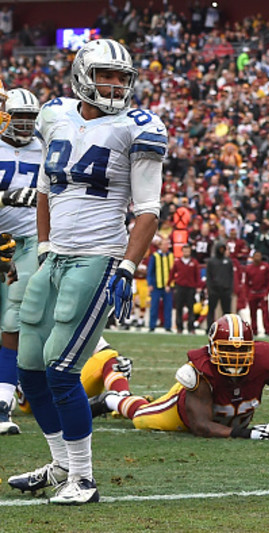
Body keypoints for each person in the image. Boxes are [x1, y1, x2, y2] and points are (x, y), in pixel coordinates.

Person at [10, 39, 165, 505]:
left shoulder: (136, 128)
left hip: (98, 258)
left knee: (61, 369)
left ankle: (84, 478)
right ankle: (61, 465)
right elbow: (43, 190)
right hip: (55, 257)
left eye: (122, 77)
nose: (115, 85)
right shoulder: (55, 115)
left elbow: (149, 211)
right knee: (30, 370)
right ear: (82, 74)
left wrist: (127, 266)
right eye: (106, 75)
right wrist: (42, 246)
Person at [88, 314, 269, 440]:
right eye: (227, 349)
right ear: (212, 349)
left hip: (217, 415)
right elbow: (201, 427)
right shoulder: (200, 371)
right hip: (182, 414)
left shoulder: (265, 360)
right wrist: (249, 434)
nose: (235, 356)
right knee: (141, 417)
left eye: (241, 350)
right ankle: (112, 399)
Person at [0, 87, 41, 435]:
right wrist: (5, 197)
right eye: (20, 116)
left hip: (29, 244)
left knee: (15, 318)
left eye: (31, 117)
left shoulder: (45, 146)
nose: (26, 124)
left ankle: (4, 399)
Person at [171, 243, 203, 334]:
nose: (186, 252)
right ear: (182, 251)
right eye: (185, 251)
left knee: (191, 308)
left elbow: (197, 275)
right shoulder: (177, 262)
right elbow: (172, 273)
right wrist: (169, 284)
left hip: (190, 288)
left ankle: (191, 328)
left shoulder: (194, 262)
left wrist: (198, 286)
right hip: (180, 287)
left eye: (188, 251)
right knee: (179, 308)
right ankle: (179, 327)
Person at [147, 237, 174, 332]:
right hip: (156, 285)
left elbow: (173, 271)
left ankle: (168, 326)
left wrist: (171, 284)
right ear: (160, 245)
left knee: (168, 307)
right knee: (154, 306)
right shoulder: (155, 256)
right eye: (165, 244)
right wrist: (150, 284)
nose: (166, 246)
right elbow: (150, 271)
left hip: (168, 287)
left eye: (167, 244)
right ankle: (152, 326)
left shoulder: (171, 256)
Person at [205, 243, 234, 330]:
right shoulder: (211, 261)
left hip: (225, 290)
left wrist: (230, 289)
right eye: (220, 249)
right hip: (214, 290)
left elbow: (231, 276)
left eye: (223, 249)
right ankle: (209, 328)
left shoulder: (228, 261)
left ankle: (226, 328)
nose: (221, 251)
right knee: (211, 310)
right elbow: (209, 276)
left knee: (226, 312)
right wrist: (210, 289)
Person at [245, 250, 269, 336]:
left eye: (259, 256)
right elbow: (246, 282)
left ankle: (267, 330)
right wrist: (247, 294)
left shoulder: (266, 266)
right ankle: (254, 330)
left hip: (262, 292)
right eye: (256, 256)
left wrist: (266, 293)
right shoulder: (249, 268)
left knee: (265, 312)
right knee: (253, 312)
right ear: (252, 257)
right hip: (253, 293)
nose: (257, 258)